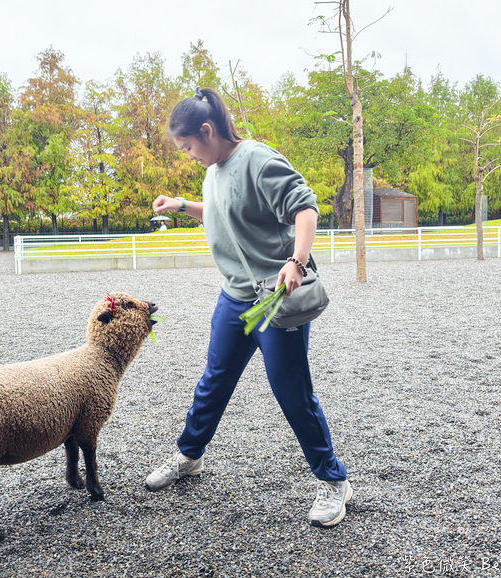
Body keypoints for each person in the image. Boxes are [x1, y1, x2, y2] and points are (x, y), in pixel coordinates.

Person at [147, 87, 352, 527]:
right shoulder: (213, 169)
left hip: (275, 299)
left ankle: (334, 481)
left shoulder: (258, 159)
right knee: (214, 380)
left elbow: (306, 209)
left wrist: (296, 262)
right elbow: (221, 213)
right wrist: (182, 205)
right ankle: (189, 456)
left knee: (291, 392)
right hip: (235, 297)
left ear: (208, 130)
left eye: (187, 147)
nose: (188, 156)